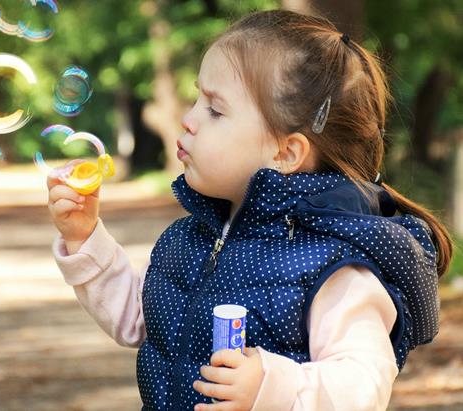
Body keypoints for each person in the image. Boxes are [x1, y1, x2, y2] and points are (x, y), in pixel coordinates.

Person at [46, 9, 452, 411]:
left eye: (215, 110)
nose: (188, 120)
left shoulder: (333, 264)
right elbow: (142, 318)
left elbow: (364, 384)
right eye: (196, 98)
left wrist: (271, 385)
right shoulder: (192, 237)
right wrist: (85, 238)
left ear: (285, 151)